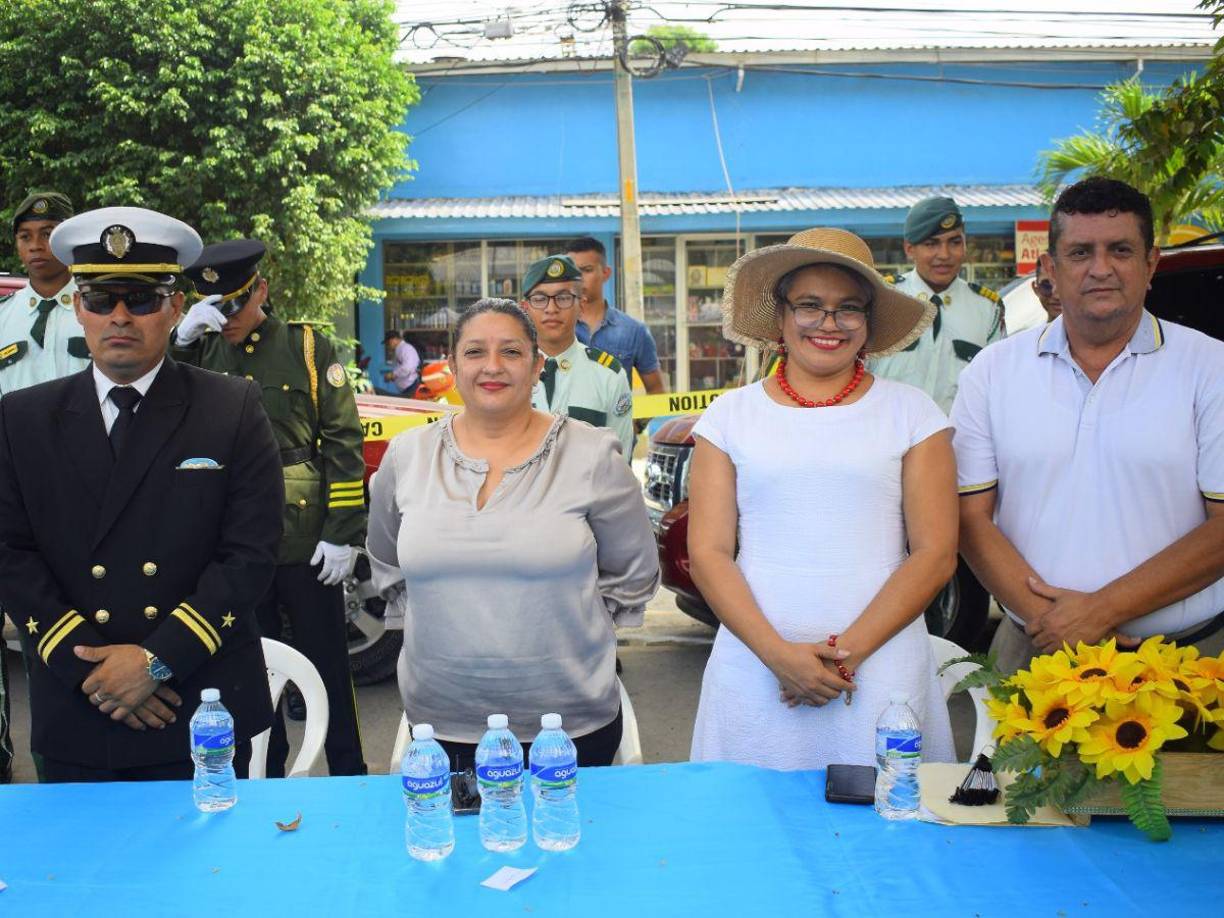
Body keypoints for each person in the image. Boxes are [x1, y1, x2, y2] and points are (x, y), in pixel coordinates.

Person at [0, 207, 281, 782]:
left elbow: (249, 554)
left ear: (175, 307)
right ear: (78, 308)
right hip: (79, 699)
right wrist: (97, 675)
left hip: (198, 701)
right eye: (102, 300)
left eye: (143, 299)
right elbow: (11, 554)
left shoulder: (232, 408)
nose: (120, 317)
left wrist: (155, 661)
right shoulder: (22, 417)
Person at [687, 227, 957, 770]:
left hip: (881, 669)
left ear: (868, 320)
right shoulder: (728, 418)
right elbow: (709, 553)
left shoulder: (913, 413)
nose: (828, 324)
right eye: (809, 305)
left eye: (848, 308)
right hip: (755, 666)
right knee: (753, 832)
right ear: (781, 315)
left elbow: (935, 553)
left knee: (888, 834)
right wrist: (779, 657)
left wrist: (842, 659)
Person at [366, 298, 658, 770]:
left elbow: (634, 573)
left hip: (570, 727)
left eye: (512, 352)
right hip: (440, 724)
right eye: (476, 352)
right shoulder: (406, 456)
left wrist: (566, 626)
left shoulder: (591, 455)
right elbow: (387, 564)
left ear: (538, 366)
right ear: (454, 367)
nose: (493, 367)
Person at [953, 177, 1224, 675]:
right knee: (1018, 760)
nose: (1101, 268)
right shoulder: (991, 373)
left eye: (1120, 249)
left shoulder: (1211, 368)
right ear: (1051, 270)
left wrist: (1099, 612)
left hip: (1188, 664)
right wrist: (1052, 621)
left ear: (1151, 264)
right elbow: (971, 519)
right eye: (1081, 252)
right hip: (1036, 652)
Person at [175, 240, 367, 776]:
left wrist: (343, 530)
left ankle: (350, 774)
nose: (226, 318)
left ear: (260, 289)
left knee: (328, 665)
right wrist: (181, 343)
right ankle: (266, 777)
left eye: (234, 304)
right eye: (215, 307)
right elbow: (164, 410)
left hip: (304, 535)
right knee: (250, 671)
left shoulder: (307, 347)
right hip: (233, 537)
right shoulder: (201, 350)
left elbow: (343, 442)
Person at [1, 191, 93, 783]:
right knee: (28, 635)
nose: (37, 246)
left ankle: (80, 763)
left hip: (89, 494)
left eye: (49, 233)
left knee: (84, 633)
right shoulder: (4, 318)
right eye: (26, 236)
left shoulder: (97, 304)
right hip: (16, 497)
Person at [869, 196, 1006, 413]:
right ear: (909, 249)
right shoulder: (881, 299)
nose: (944, 255)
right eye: (931, 244)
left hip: (957, 442)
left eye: (954, 242)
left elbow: (998, 385)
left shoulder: (987, 309)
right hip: (888, 439)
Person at [523, 254, 635, 459]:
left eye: (563, 298)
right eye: (539, 299)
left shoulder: (608, 376)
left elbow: (619, 464)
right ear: (525, 308)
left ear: (581, 305)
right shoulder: (506, 374)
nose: (551, 309)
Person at [565, 236, 665, 394]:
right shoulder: (554, 326)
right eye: (573, 272)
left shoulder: (633, 331)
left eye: (587, 270)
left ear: (606, 273)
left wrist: (641, 419)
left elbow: (656, 390)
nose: (579, 279)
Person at [382, 329, 420, 396]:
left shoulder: (406, 349)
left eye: (388, 343)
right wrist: (393, 376)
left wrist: (393, 374)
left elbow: (408, 368)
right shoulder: (399, 349)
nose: (388, 346)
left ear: (393, 340)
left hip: (411, 387)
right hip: (406, 388)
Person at [1031, 257, 1063, 321]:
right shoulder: (1035, 331)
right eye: (1047, 285)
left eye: (1063, 285)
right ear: (1036, 289)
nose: (1057, 296)